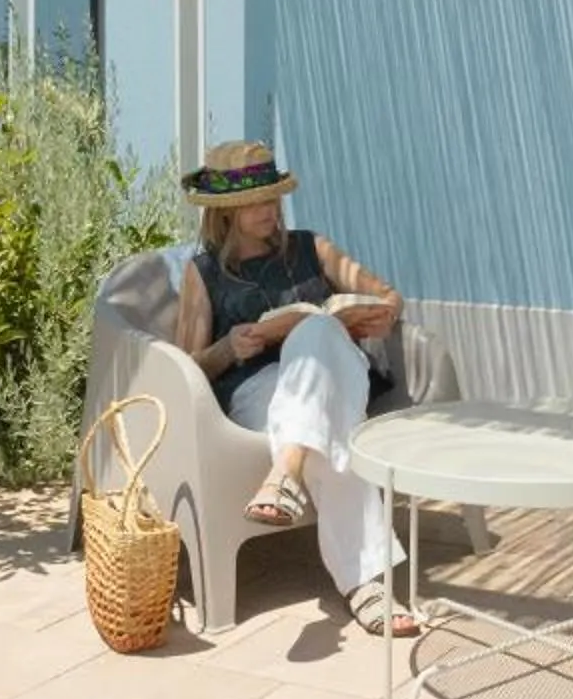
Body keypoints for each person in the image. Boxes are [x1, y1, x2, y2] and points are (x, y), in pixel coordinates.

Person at [171, 141, 418, 637]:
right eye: (256, 201)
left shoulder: (314, 248)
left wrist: (379, 314)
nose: (270, 209)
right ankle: (366, 584)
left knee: (318, 330)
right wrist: (228, 348)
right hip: (259, 390)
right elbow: (185, 366)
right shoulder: (203, 275)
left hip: (338, 371)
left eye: (273, 197)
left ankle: (285, 472)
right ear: (226, 211)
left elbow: (388, 294)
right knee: (331, 429)